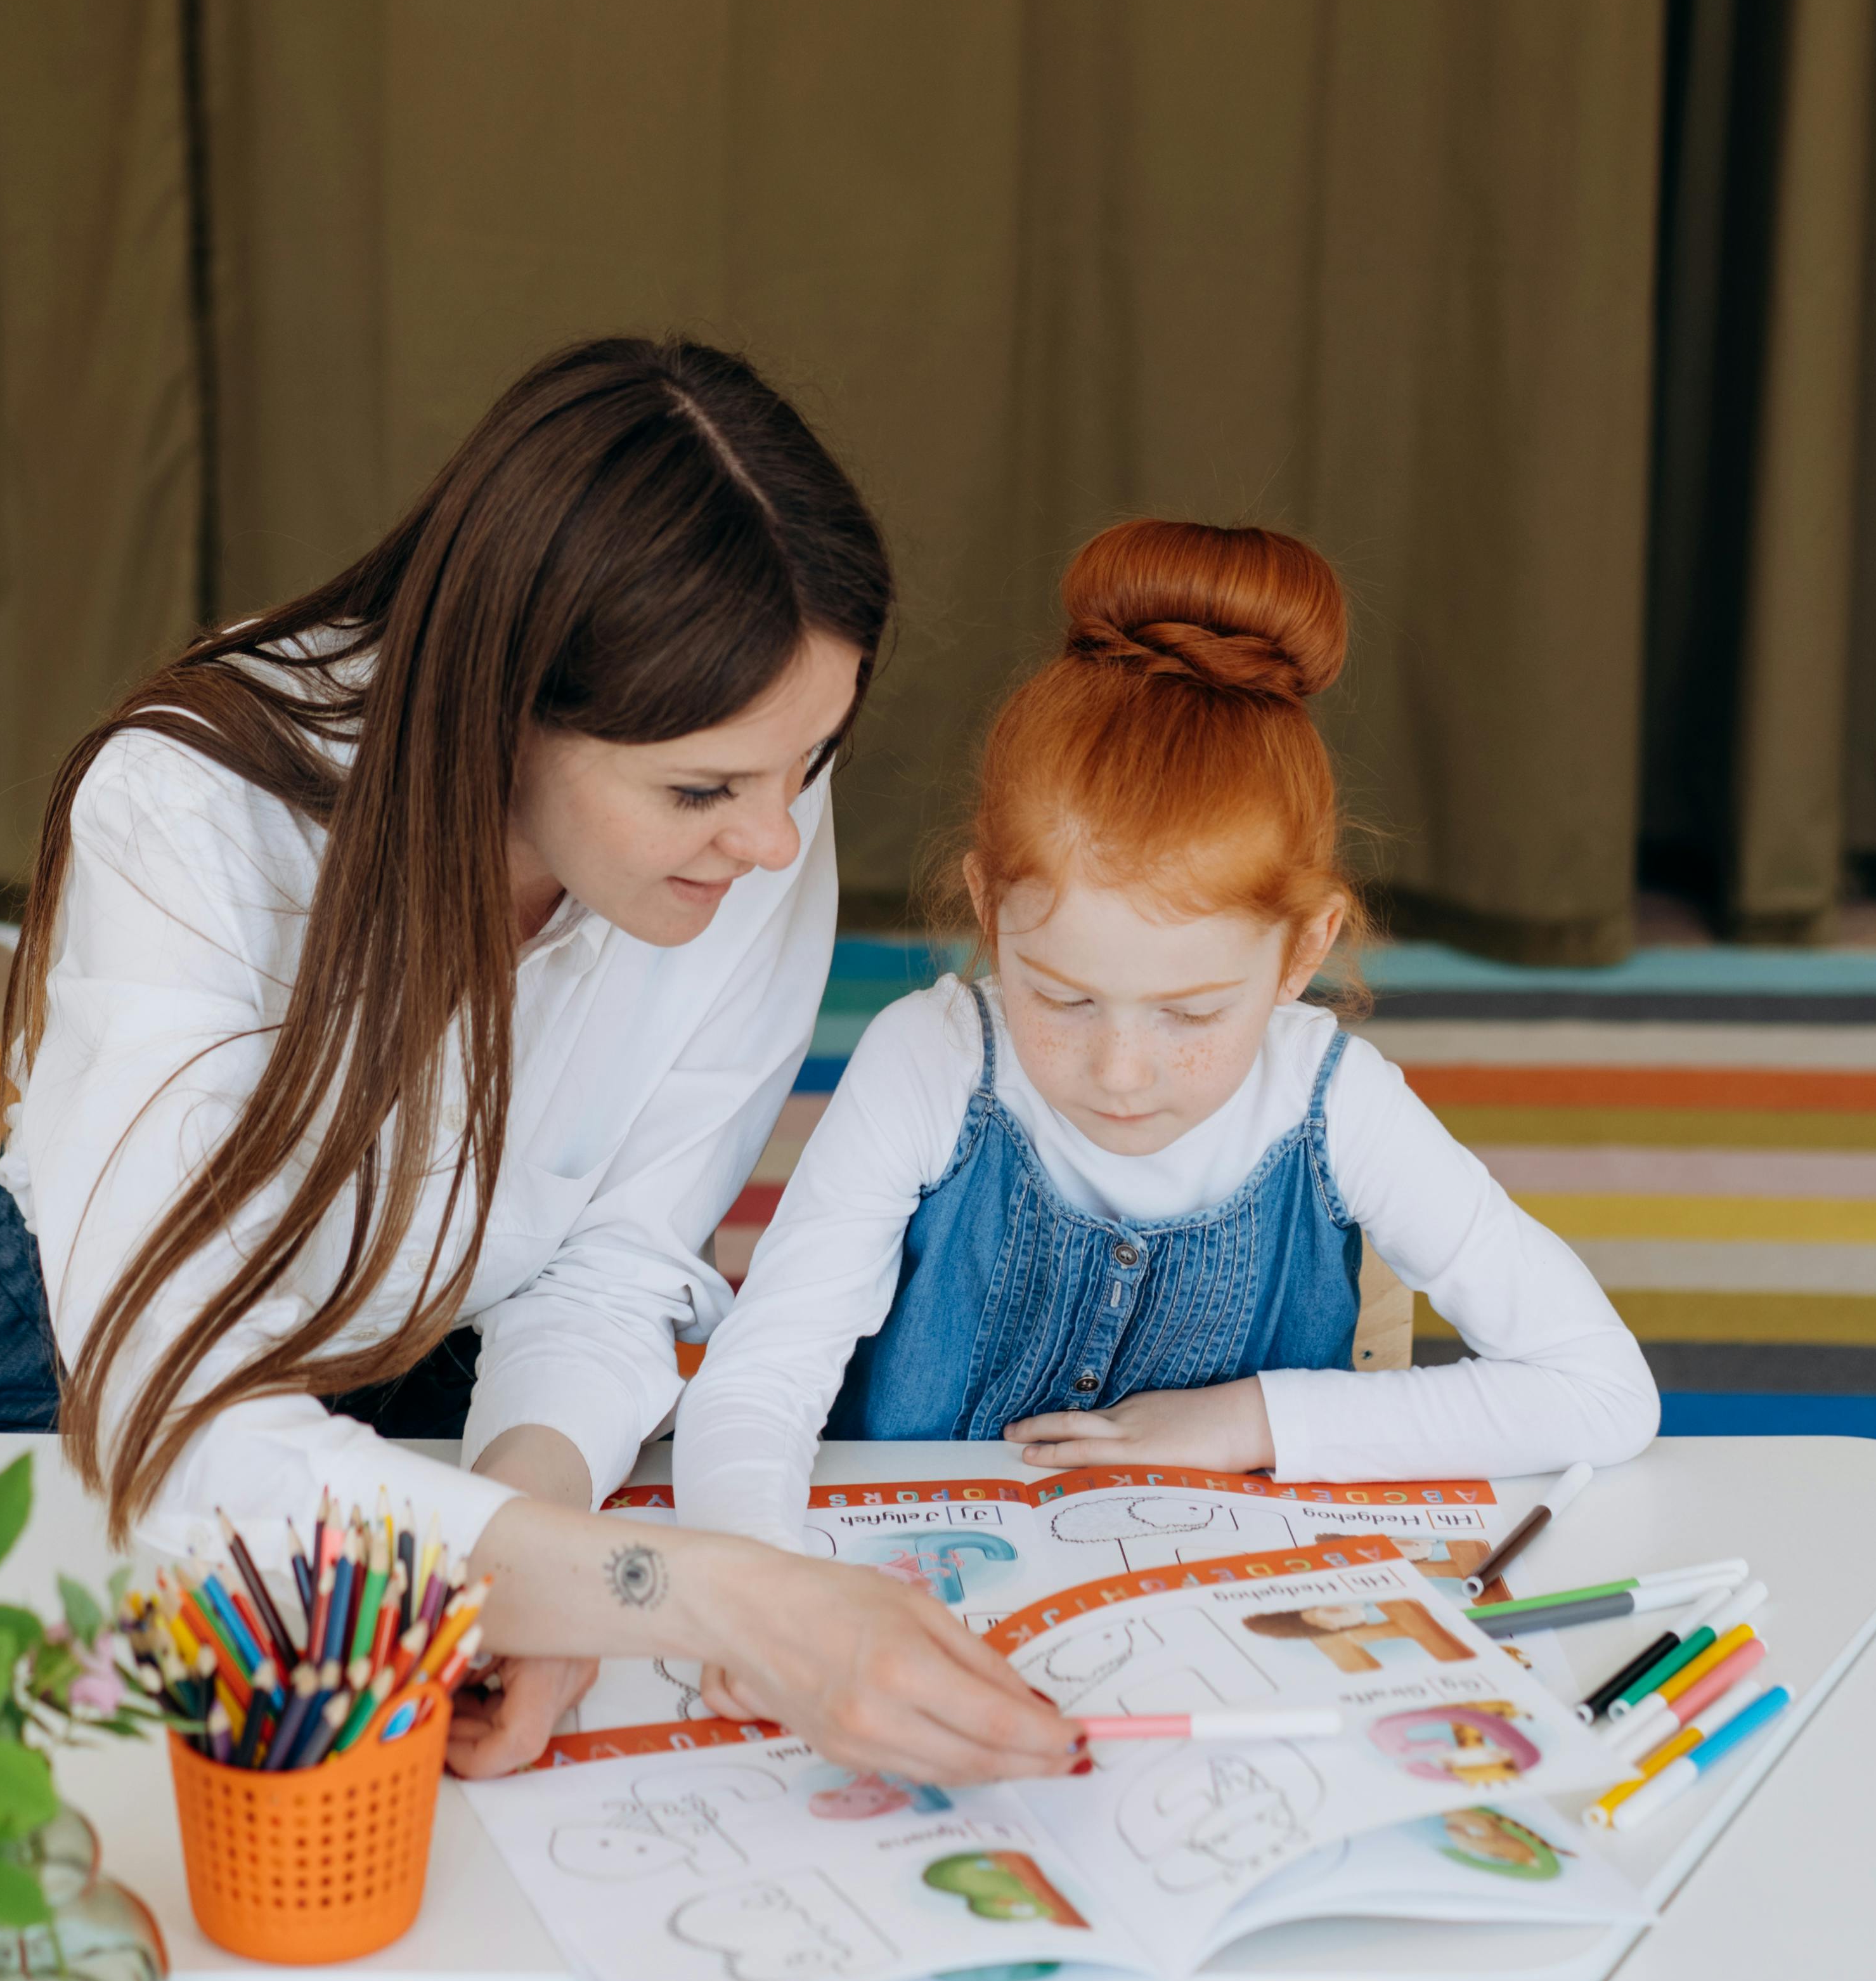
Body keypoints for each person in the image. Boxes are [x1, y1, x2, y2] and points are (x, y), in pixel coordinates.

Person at [0, 334, 1072, 1791]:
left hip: (431, 1388)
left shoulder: (747, 797)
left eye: (812, 762)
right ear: (506, 703)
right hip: (64, 1396)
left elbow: (613, 1264)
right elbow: (185, 1430)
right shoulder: (190, 810)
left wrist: (524, 1545)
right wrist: (701, 1588)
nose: (776, 841)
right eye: (702, 790)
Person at [673, 514, 1658, 1550]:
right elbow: (761, 1377)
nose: (1121, 1072)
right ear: (987, 907)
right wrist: (752, 1581)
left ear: (1302, 954)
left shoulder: (1342, 1106)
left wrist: (1252, 1420)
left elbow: (1601, 1392)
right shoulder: (932, 1063)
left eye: (1190, 1014)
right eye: (1061, 998)